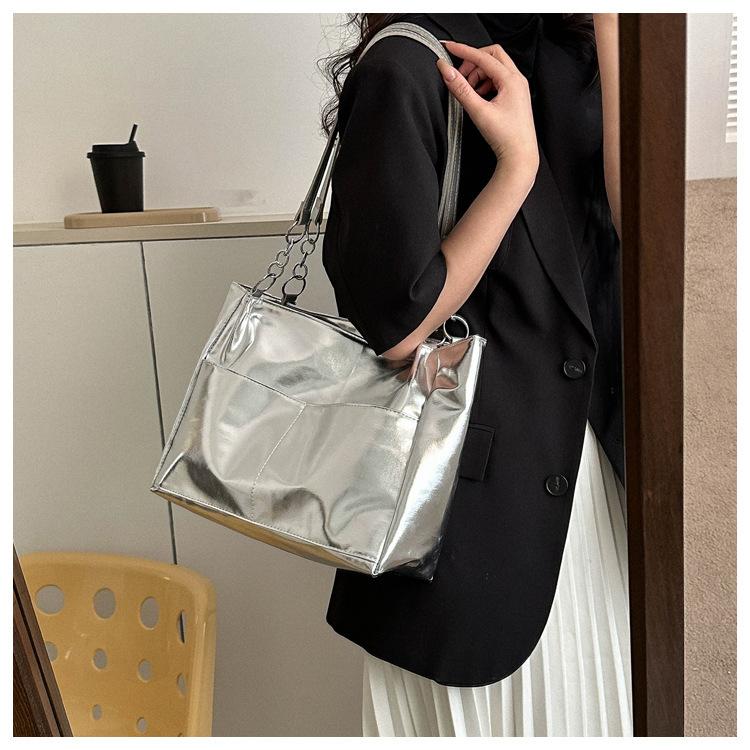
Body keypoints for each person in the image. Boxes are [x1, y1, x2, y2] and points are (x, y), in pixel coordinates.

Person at [319, 13, 631, 737]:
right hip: (468, 520)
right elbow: (399, 330)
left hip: (593, 488)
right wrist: (516, 167)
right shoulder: (409, 62)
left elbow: (645, 234)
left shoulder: (581, 53)